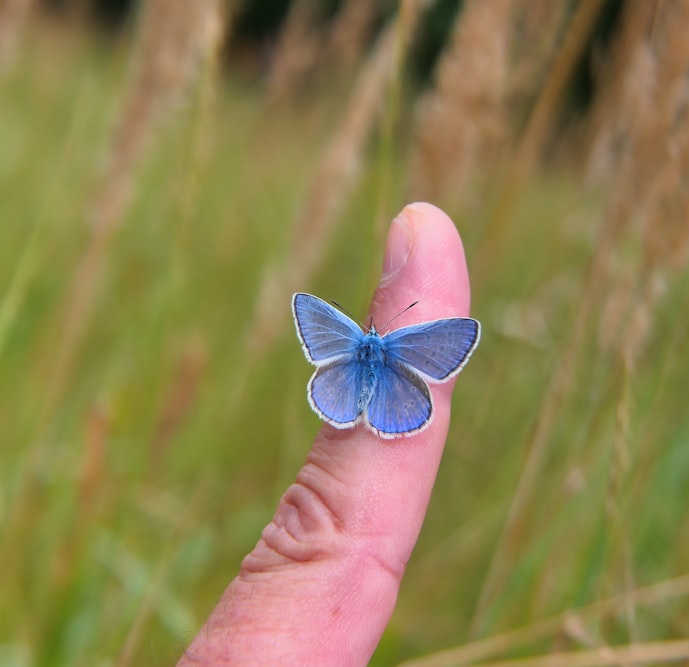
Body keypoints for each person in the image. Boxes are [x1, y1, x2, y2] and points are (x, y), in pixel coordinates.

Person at [178, 203, 475, 665]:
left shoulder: (353, 335)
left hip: (358, 379)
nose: (375, 336)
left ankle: (363, 410)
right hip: (395, 383)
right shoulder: (383, 335)